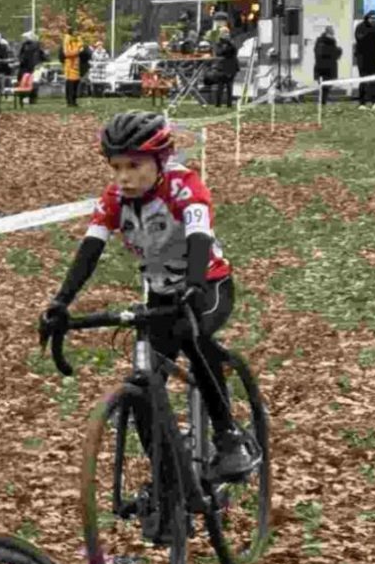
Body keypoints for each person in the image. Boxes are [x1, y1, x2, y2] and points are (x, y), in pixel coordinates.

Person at [37, 113, 257, 482]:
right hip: (159, 295)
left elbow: (199, 235)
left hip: (208, 286)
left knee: (196, 338)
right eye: (116, 167)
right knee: (144, 381)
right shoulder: (115, 199)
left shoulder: (182, 185)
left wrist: (195, 281)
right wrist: (62, 300)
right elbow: (90, 248)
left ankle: (229, 438)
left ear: (159, 161)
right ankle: (167, 478)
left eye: (134, 166)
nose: (124, 177)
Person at [352, 11, 375, 105]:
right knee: (363, 80)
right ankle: (362, 102)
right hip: (362, 57)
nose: (373, 20)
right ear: (367, 18)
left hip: (374, 57)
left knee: (374, 80)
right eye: (372, 18)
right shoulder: (361, 27)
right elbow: (360, 39)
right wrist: (372, 31)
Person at [312, 24, 342, 108]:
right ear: (327, 33)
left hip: (329, 67)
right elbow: (324, 53)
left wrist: (337, 51)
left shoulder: (332, 42)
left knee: (327, 86)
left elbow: (334, 55)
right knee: (324, 86)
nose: (332, 35)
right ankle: (322, 102)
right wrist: (337, 51)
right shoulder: (321, 42)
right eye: (331, 33)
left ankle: (323, 101)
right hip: (323, 68)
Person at [61, 34, 84, 107]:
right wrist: (78, 51)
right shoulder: (67, 39)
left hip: (76, 66)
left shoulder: (78, 38)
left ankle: (74, 101)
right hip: (70, 67)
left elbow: (82, 47)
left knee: (75, 85)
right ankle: (70, 102)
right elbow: (67, 53)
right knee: (70, 85)